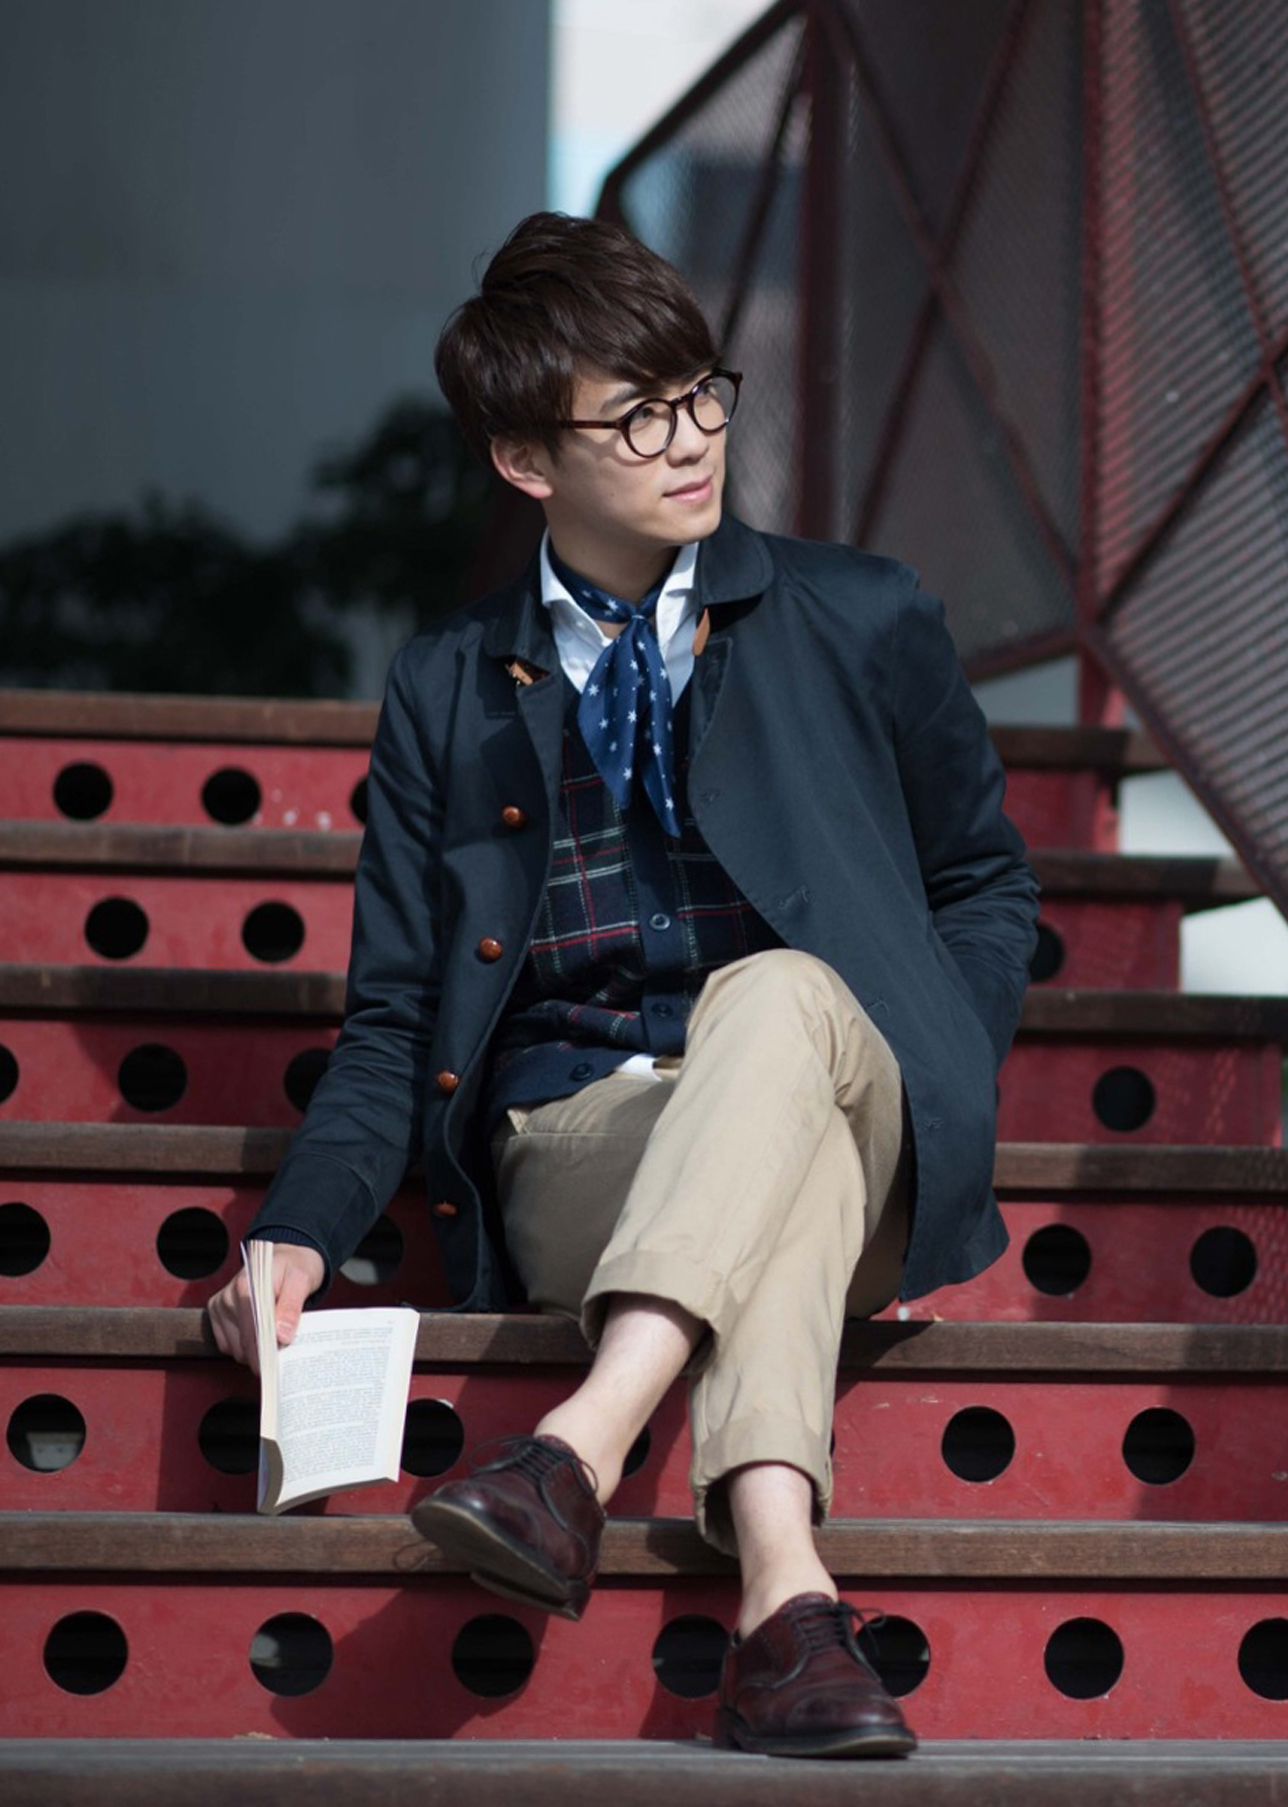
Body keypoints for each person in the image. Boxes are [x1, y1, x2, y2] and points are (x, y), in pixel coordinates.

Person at [208, 211, 1039, 1759]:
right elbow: (394, 1017)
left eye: (702, 392)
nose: (695, 439)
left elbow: (986, 888)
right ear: (528, 460)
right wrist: (299, 1229)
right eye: (640, 416)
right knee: (775, 1158)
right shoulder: (450, 685)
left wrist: (942, 1052)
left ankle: (574, 1451)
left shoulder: (862, 615)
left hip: (853, 1107)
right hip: (586, 1142)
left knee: (781, 1001)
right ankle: (788, 1608)